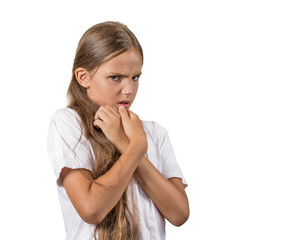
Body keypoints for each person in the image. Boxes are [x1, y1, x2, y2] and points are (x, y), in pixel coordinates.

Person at [47, 21, 189, 240]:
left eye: (135, 77)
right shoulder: (68, 123)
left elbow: (179, 214)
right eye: (115, 77)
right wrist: (136, 148)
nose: (129, 89)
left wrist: (125, 144)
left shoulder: (154, 133)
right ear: (84, 77)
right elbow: (92, 208)